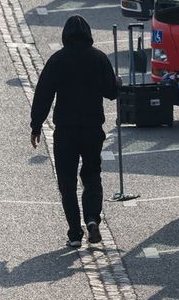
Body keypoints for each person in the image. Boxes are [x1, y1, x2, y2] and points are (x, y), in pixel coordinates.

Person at [29, 16, 119, 249]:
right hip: (92, 129)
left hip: (66, 131)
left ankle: (74, 233)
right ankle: (91, 219)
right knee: (91, 175)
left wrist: (36, 125)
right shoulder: (99, 58)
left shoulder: (58, 60)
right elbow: (111, 92)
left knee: (67, 182)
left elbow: (44, 94)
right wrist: (116, 82)